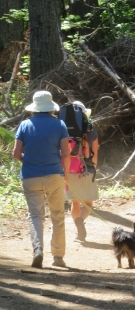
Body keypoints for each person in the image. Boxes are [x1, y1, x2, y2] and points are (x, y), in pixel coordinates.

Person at [12, 90, 70, 268]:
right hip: (54, 175)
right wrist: (65, 175)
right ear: (51, 108)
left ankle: (38, 249)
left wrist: (28, 162)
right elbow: (66, 154)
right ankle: (58, 256)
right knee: (57, 216)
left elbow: (15, 153)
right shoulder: (60, 125)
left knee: (36, 215)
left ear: (34, 108)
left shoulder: (24, 125)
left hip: (30, 176)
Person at [64, 101, 99, 241]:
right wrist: (93, 169)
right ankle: (80, 223)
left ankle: (78, 228)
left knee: (75, 202)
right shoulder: (91, 132)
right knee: (88, 203)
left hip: (70, 168)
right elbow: (94, 153)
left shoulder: (64, 129)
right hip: (87, 169)